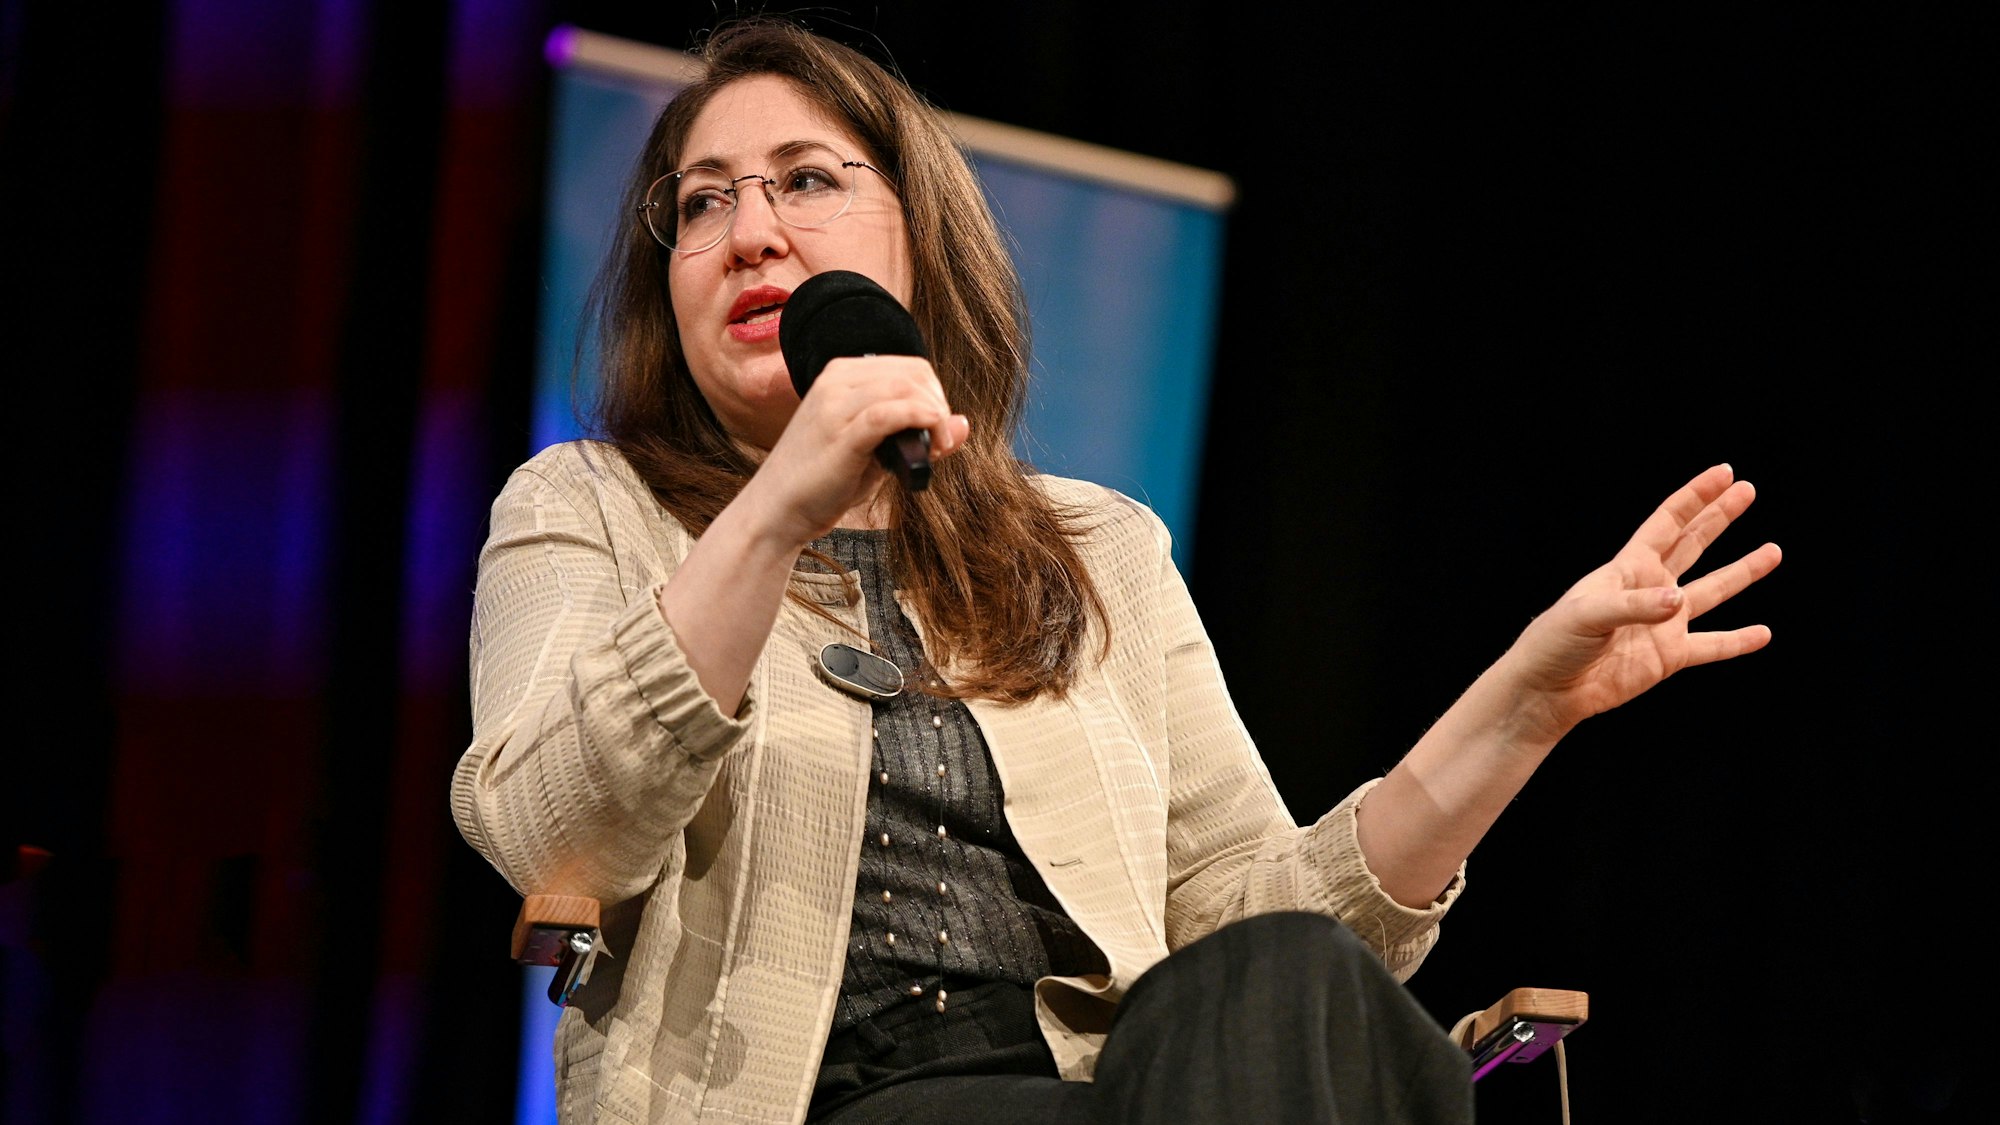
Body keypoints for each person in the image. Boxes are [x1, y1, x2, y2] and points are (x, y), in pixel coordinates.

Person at [450, 17, 1781, 1125]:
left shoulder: (1098, 549)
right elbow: (552, 831)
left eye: (805, 179)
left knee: (1296, 982)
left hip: (1125, 1090)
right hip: (839, 1100)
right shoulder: (590, 506)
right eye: (702, 201)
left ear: (920, 237)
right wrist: (781, 503)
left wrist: (1524, 707)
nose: (750, 231)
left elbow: (1261, 929)